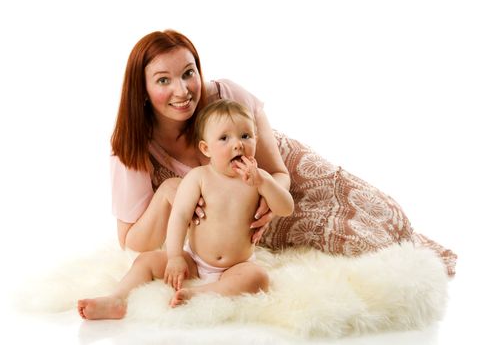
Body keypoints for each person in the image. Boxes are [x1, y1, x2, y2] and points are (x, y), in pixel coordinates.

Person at [110, 30, 457, 276]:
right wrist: (171, 192)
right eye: (163, 80)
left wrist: (268, 194)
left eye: (188, 73)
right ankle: (406, 254)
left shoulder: (226, 95)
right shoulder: (133, 146)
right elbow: (130, 241)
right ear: (141, 89)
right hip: (239, 209)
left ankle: (417, 246)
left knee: (373, 206)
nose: (182, 90)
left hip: (275, 172)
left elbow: (279, 172)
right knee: (346, 236)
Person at [78, 99, 294, 319]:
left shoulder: (260, 180)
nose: (237, 144)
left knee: (258, 278)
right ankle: (117, 298)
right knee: (146, 261)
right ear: (206, 148)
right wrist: (174, 257)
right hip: (194, 260)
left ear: (255, 140)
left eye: (245, 136)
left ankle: (200, 293)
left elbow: (286, 208)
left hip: (237, 265)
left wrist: (264, 184)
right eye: (224, 138)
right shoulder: (198, 178)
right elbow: (179, 217)